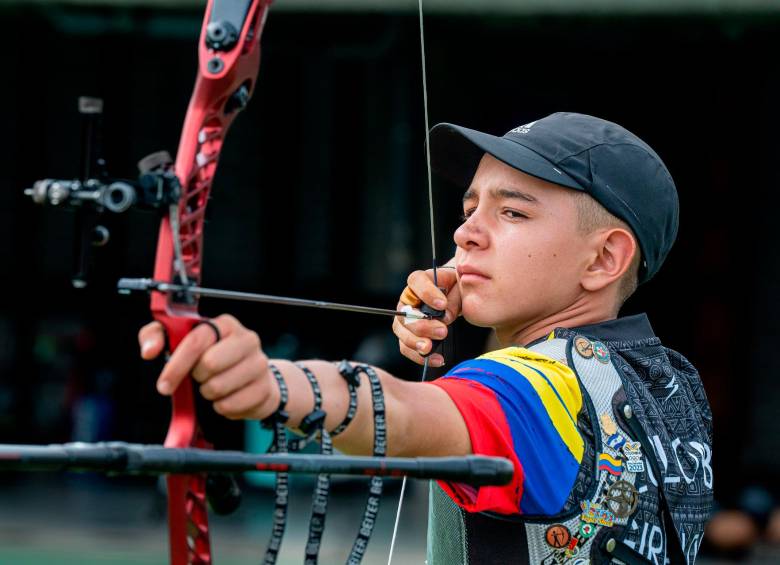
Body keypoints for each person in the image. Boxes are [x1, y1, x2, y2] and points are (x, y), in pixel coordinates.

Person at [139, 112, 713, 564]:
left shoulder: (531, 391)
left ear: (605, 258)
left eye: (513, 214)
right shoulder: (671, 383)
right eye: (470, 208)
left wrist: (270, 383)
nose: (466, 232)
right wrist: (473, 330)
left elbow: (407, 413)